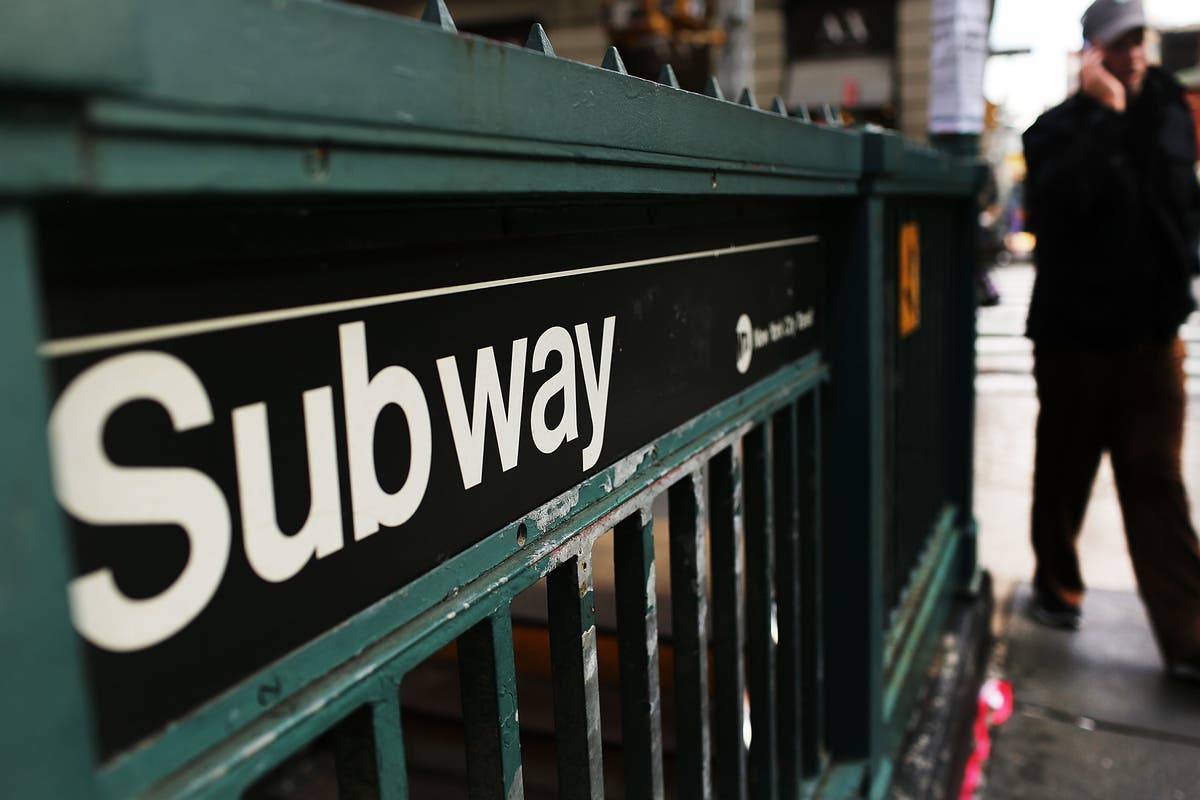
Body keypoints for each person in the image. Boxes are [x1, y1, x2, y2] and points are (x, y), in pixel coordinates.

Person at [1022, 0, 1200, 682]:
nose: (1135, 54)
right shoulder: (1056, 131)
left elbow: (1175, 207)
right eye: (1121, 42)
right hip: (1075, 340)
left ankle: (1189, 638)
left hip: (1153, 337)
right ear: (1093, 51)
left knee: (1156, 479)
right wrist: (1104, 118)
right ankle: (1057, 588)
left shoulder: (1169, 113)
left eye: (1141, 40)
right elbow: (1062, 209)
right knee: (1066, 471)